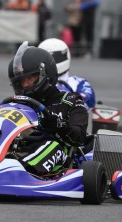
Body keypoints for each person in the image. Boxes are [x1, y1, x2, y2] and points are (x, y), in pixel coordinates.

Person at [8, 41, 89, 176]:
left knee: (52, 145)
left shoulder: (70, 101)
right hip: (19, 148)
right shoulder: (18, 103)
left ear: (45, 75)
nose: (26, 84)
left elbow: (79, 138)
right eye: (22, 80)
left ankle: (21, 171)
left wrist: (58, 125)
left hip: (57, 155)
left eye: (30, 78)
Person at [38, 38, 96, 110]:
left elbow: (88, 101)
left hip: (68, 119)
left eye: (53, 58)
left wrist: (64, 94)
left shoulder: (79, 83)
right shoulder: (32, 82)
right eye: (47, 59)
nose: (51, 62)